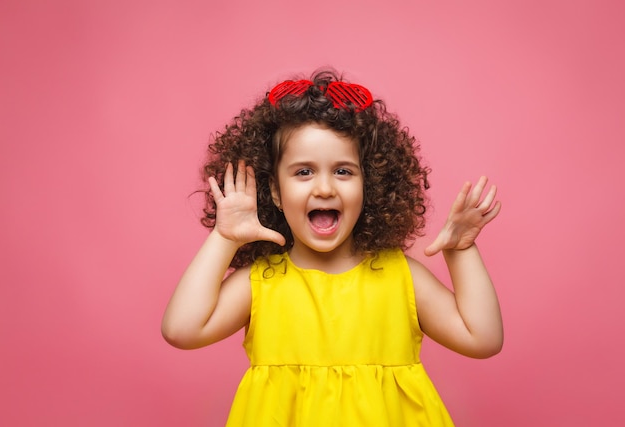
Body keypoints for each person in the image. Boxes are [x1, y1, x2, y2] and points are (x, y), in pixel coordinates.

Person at [161, 69, 503, 426]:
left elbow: (483, 338)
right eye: (303, 172)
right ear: (275, 192)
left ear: (369, 186)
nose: (324, 188)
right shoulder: (262, 282)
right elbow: (181, 330)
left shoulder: (401, 276)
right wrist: (225, 238)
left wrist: (461, 251)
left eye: (343, 171)